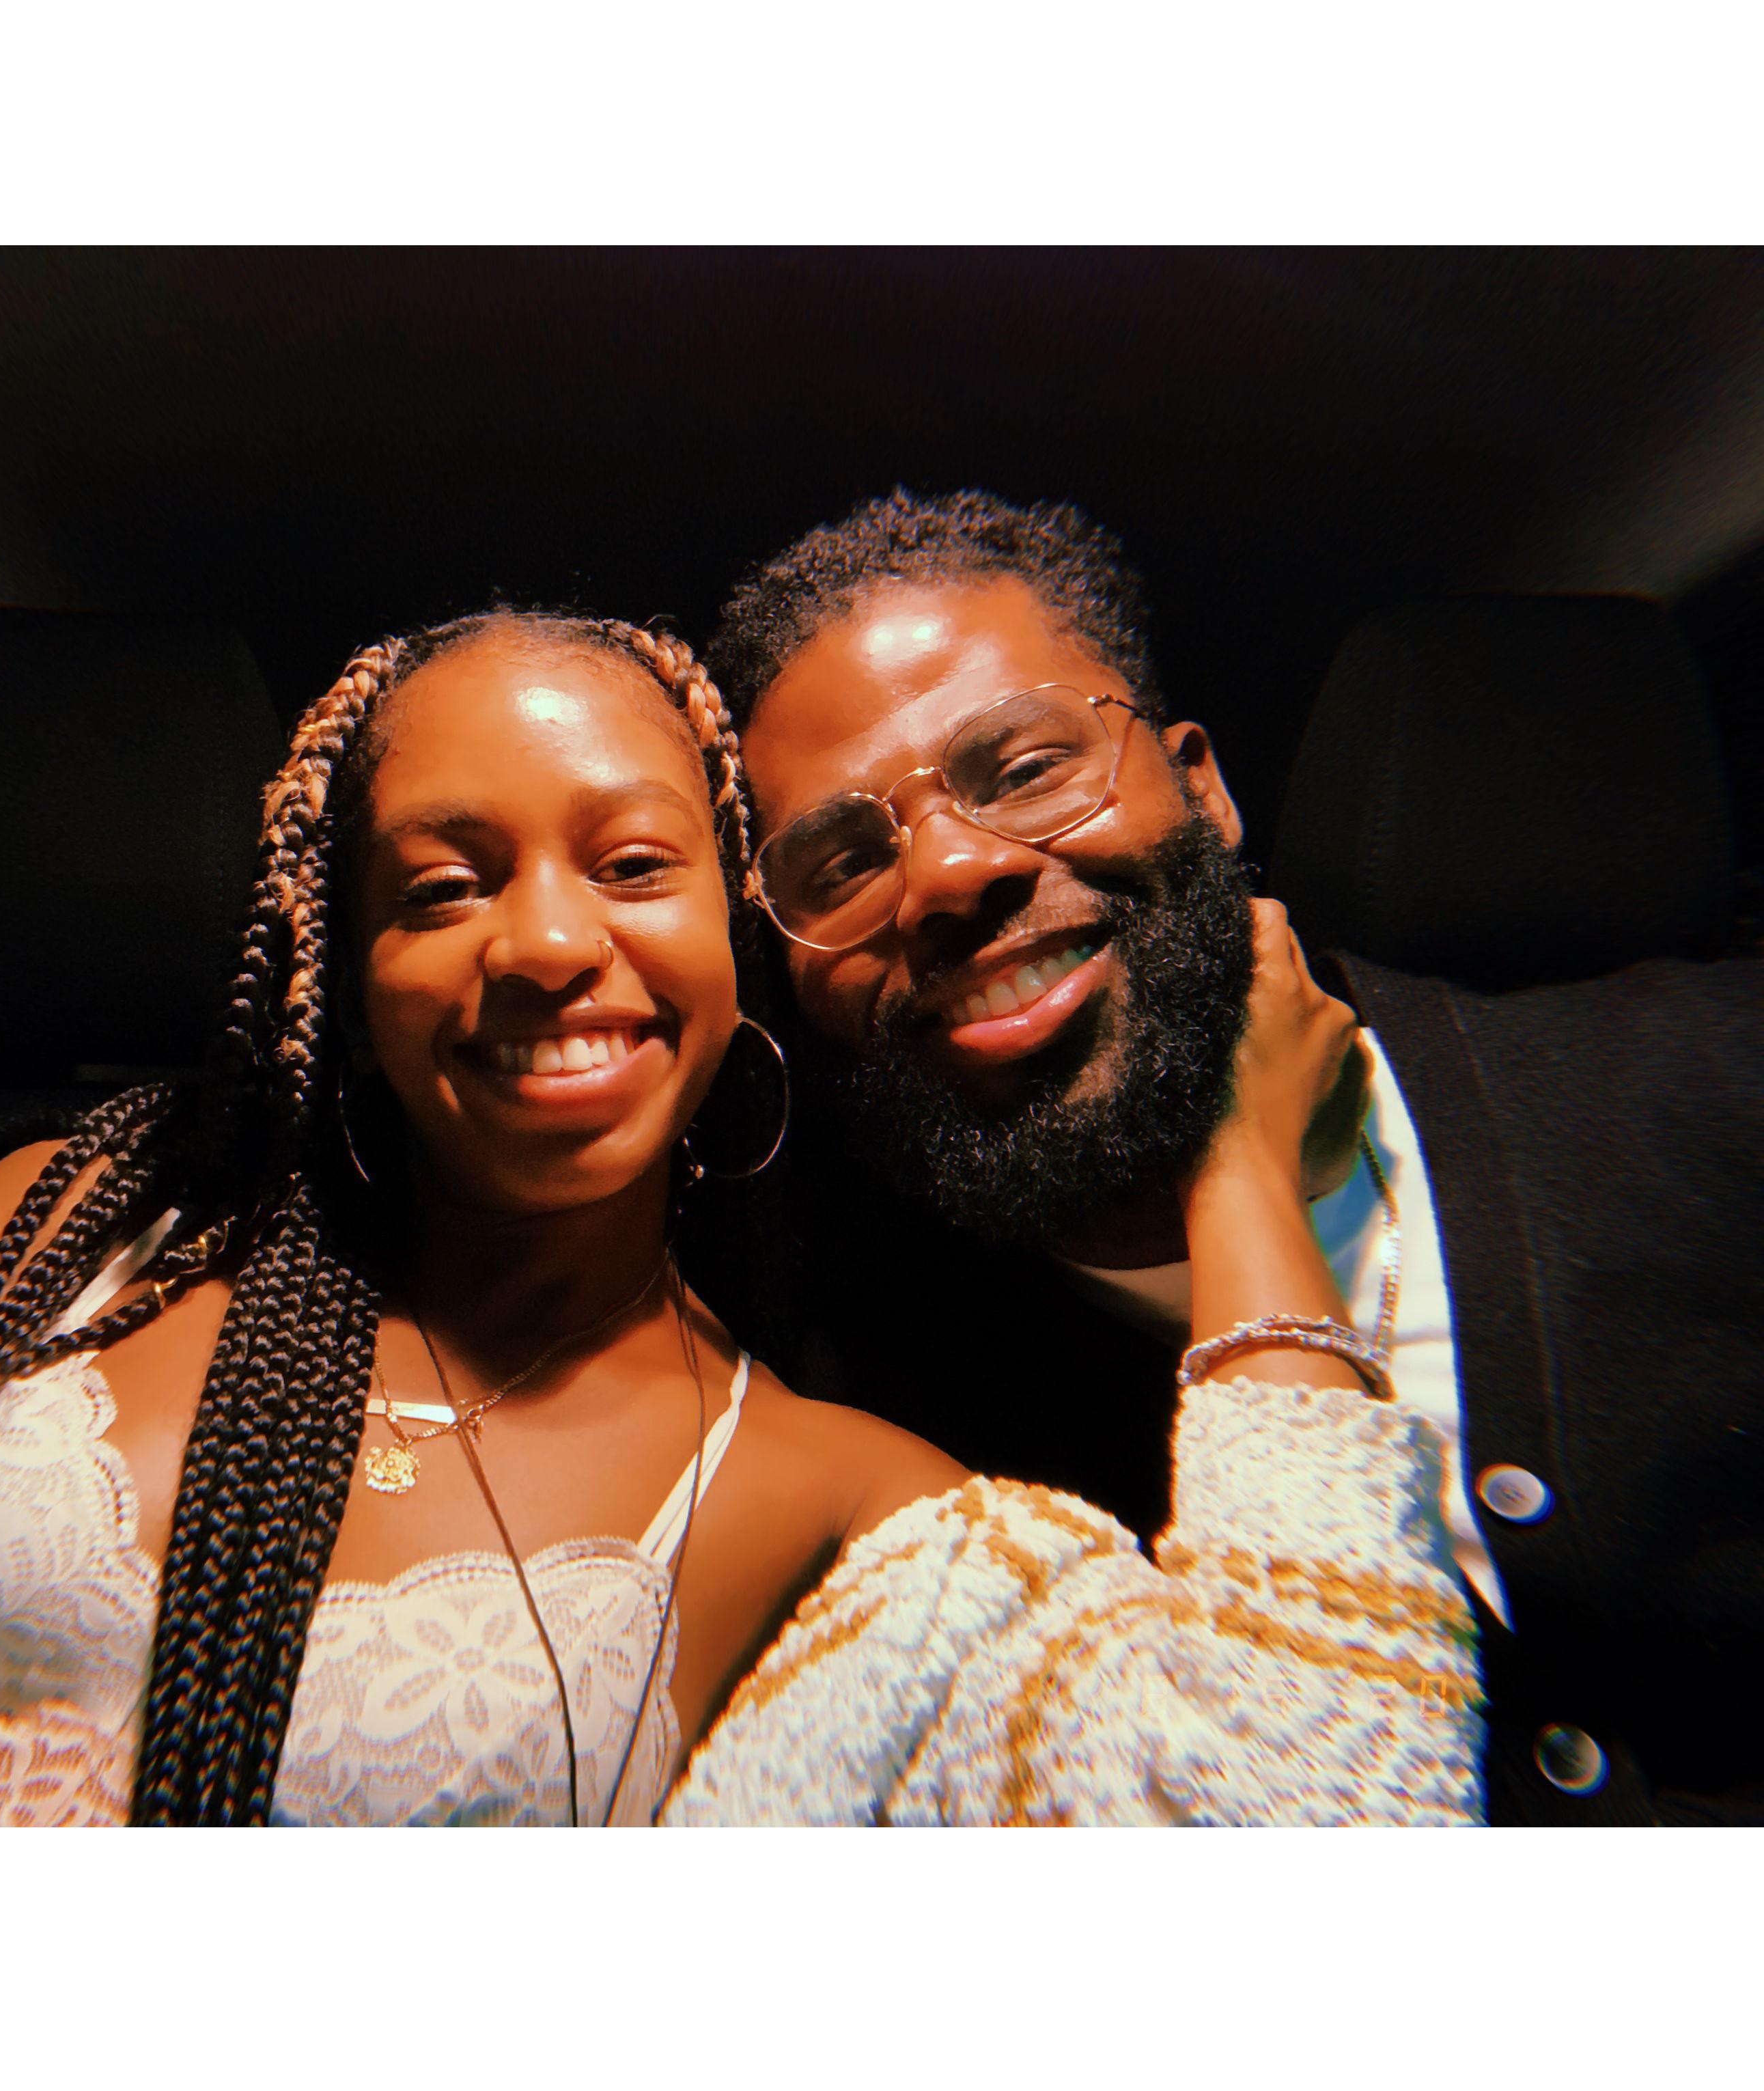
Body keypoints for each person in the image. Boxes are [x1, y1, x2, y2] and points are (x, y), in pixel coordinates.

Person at [0, 605, 1476, 1827]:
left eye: (632, 866)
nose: (548, 943)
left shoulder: (852, 1505)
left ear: (737, 955)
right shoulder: (85, 1217)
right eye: (442, 885)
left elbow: (1310, 1822)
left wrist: (1235, 1165)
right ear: (344, 974)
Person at [705, 486, 1764, 1826]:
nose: (950, 872)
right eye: (839, 862)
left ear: (1199, 787)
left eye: (1023, 769)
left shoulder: (1717, 1076)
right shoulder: (886, 1446)